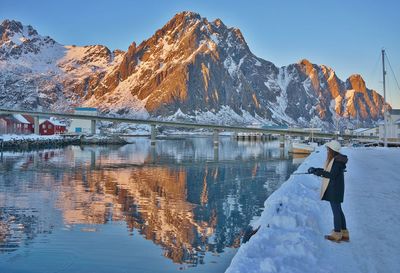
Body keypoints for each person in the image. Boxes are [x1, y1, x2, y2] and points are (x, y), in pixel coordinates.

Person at [308, 140, 349, 243]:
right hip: (337, 188)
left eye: (328, 149)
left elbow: (331, 175)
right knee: (339, 210)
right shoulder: (337, 160)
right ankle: (344, 233)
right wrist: (316, 169)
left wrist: (317, 172)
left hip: (335, 189)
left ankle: (337, 234)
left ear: (332, 150)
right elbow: (329, 171)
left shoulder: (336, 161)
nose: (327, 150)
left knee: (336, 211)